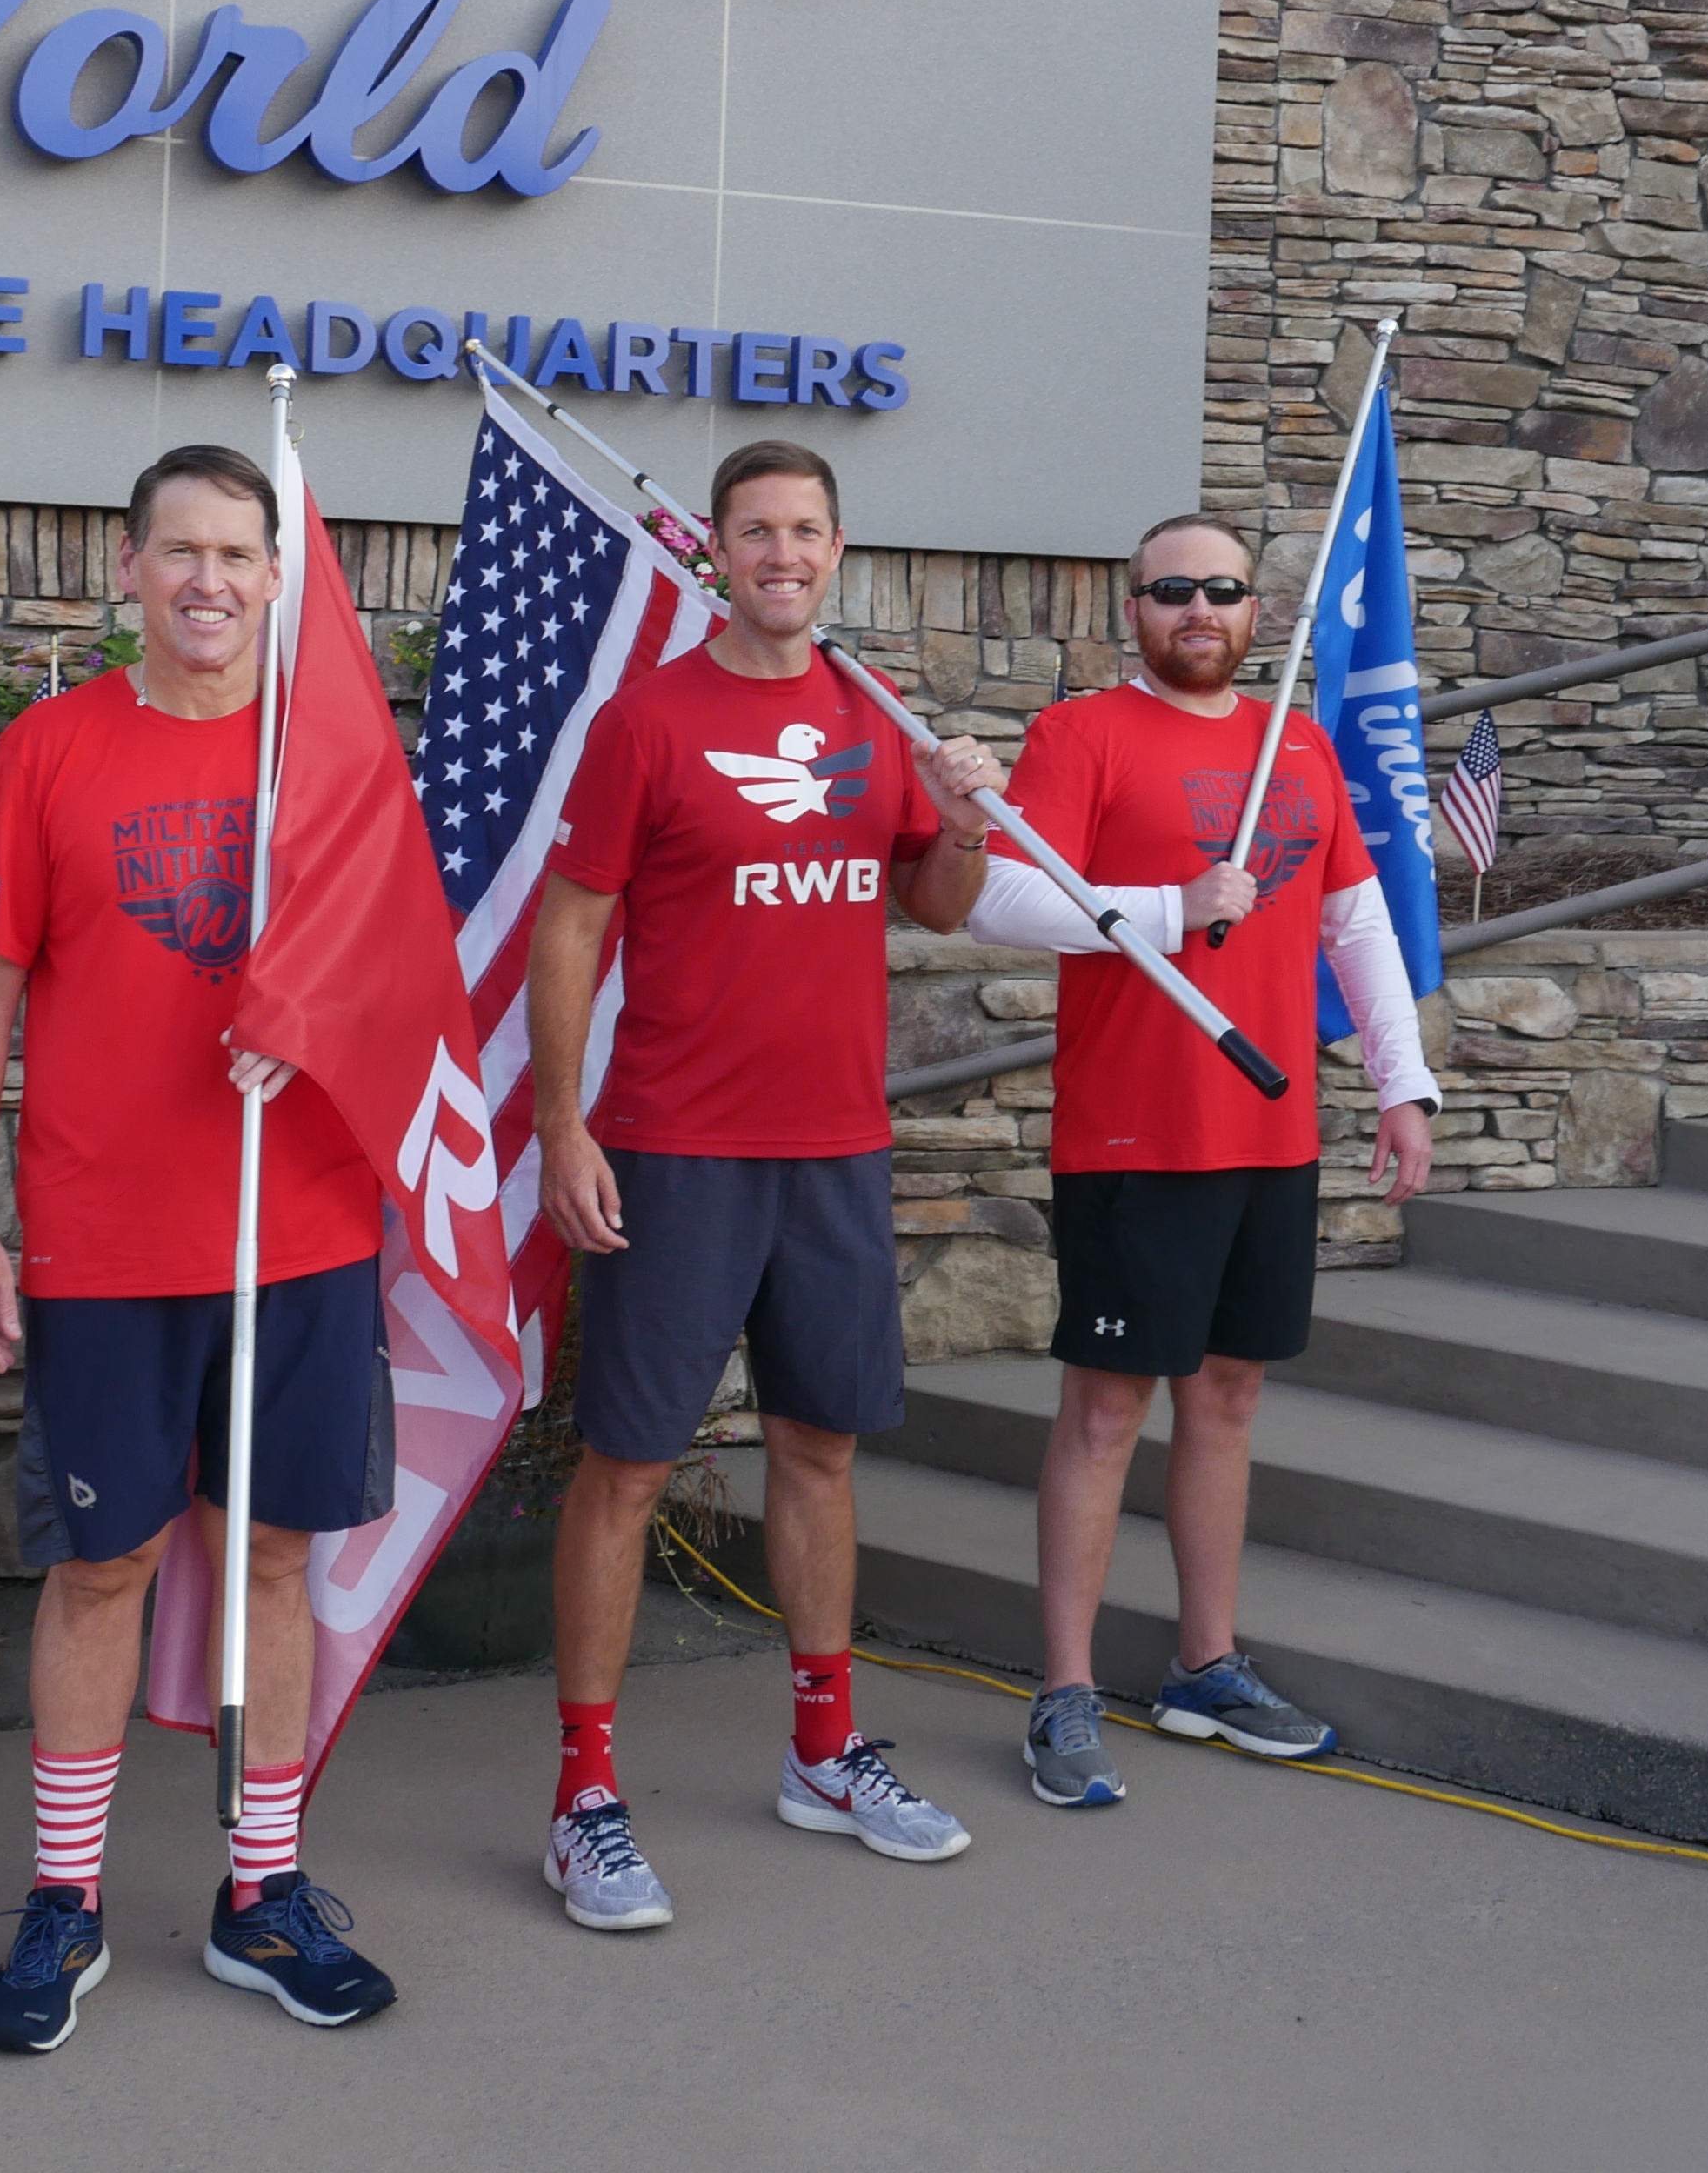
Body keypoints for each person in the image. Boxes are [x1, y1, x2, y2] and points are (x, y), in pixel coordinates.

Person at [0, 442, 401, 2049]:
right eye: (180, 550)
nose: (210, 580)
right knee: (106, 1563)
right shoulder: (50, 748)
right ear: (128, 566)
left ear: (280, 577)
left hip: (306, 1225)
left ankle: (259, 1895)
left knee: (278, 1556)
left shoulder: (333, 757)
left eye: (240, 554)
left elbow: (407, 974)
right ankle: (66, 1905)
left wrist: (316, 1017)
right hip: (108, 1235)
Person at [525, 438, 1008, 1930]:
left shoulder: (876, 719)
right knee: (629, 1467)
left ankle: (822, 1749)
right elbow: (567, 930)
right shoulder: (651, 722)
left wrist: (966, 808)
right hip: (676, 1145)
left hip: (835, 1150)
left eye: (805, 530)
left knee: (819, 1451)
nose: (781, 553)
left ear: (836, 548)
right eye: (756, 530)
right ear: (713, 552)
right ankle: (585, 1797)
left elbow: (932, 899)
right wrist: (562, 1126)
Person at [963, 512, 1437, 1809]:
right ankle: (1062, 1693)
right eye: (1171, 591)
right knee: (1109, 1410)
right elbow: (1001, 897)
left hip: (1269, 1130)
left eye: (1220, 591)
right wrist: (1169, 913)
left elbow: (1355, 921)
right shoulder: (1083, 736)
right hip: (1135, 1133)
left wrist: (1404, 1083)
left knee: (1227, 1398)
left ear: (1252, 612)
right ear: (1136, 609)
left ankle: (1206, 1667)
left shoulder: (1300, 742)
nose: (1197, 612)